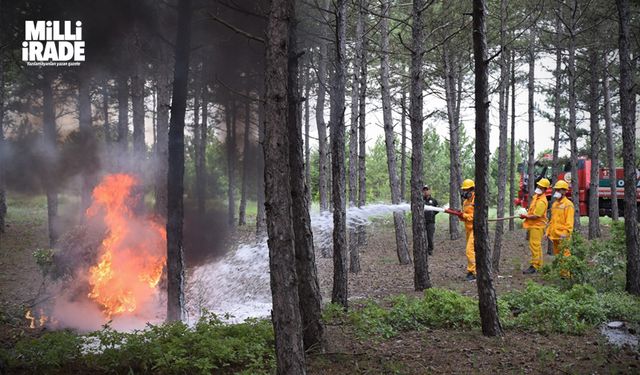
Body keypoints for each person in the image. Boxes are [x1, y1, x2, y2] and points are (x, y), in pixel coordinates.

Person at [520, 178, 550, 274]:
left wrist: (526, 216)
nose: (538, 188)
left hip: (537, 226)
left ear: (545, 189)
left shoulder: (542, 201)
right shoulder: (536, 197)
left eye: (541, 187)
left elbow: (537, 215)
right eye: (538, 186)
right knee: (536, 245)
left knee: (535, 245)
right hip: (534, 225)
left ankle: (535, 266)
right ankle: (538, 265)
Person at [546, 180, 574, 257]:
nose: (557, 191)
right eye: (556, 190)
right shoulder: (554, 204)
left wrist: (565, 234)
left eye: (559, 190)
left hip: (563, 236)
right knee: (558, 256)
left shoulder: (568, 205)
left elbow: (569, 222)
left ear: (564, 191)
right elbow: (552, 220)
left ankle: (566, 270)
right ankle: (559, 270)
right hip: (555, 236)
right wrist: (548, 231)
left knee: (565, 256)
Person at [460, 179, 476, 281]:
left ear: (472, 189)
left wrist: (464, 215)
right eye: (464, 190)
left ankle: (472, 272)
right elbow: (464, 216)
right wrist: (460, 215)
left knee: (469, 250)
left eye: (467, 190)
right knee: (473, 251)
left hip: (476, 228)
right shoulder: (465, 202)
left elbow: (475, 216)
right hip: (468, 229)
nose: (465, 192)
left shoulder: (477, 200)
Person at [422, 185, 439, 256]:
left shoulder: (434, 201)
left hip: (431, 222)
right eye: (424, 190)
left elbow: (437, 210)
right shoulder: (420, 200)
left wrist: (432, 214)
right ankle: (422, 250)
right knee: (422, 237)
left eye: (427, 190)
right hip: (422, 222)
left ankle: (430, 250)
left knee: (429, 237)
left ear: (429, 191)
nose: (425, 191)